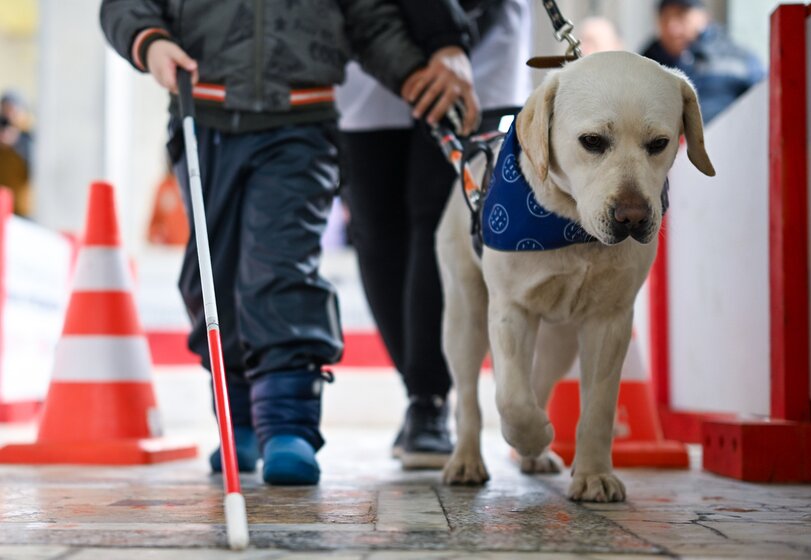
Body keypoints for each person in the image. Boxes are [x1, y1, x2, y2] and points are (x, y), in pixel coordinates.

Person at [100, 0, 477, 486]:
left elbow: (368, 17)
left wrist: (413, 75)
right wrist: (149, 41)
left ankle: (286, 424)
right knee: (210, 278)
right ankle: (238, 419)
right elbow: (125, 6)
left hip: (300, 123)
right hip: (204, 117)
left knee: (282, 267)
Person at [336, 0, 531, 469]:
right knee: (377, 229)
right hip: (371, 47)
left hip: (478, 50)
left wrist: (449, 41)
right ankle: (422, 394)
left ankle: (429, 400)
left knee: (443, 225)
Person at [641, 0, 764, 124]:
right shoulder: (642, 66)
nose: (672, 28)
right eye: (665, 18)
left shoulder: (740, 61)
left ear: (703, 16)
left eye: (681, 15)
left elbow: (764, 104)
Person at [0, 90, 34, 216]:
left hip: (23, 210)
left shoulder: (28, 137)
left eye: (13, 110)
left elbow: (37, 170)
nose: (8, 116)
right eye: (5, 110)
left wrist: (16, 143)